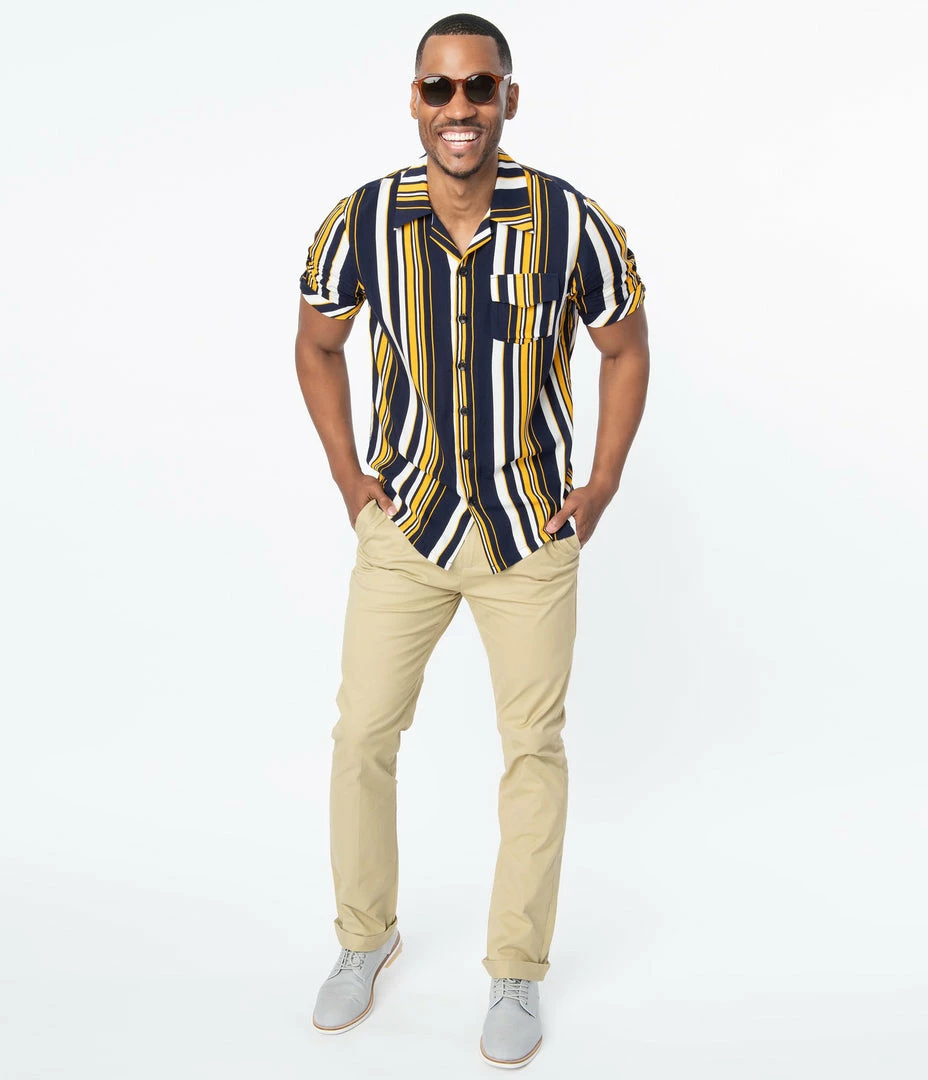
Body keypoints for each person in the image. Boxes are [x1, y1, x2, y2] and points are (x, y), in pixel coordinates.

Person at [294, 12, 649, 1069]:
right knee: (363, 735)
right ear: (415, 101)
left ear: (509, 99)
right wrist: (348, 476)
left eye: (479, 88)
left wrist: (601, 484)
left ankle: (515, 969)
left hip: (526, 534)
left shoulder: (566, 220)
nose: (460, 109)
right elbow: (317, 342)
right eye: (439, 89)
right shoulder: (362, 221)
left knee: (531, 750)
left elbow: (625, 346)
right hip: (405, 526)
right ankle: (366, 937)